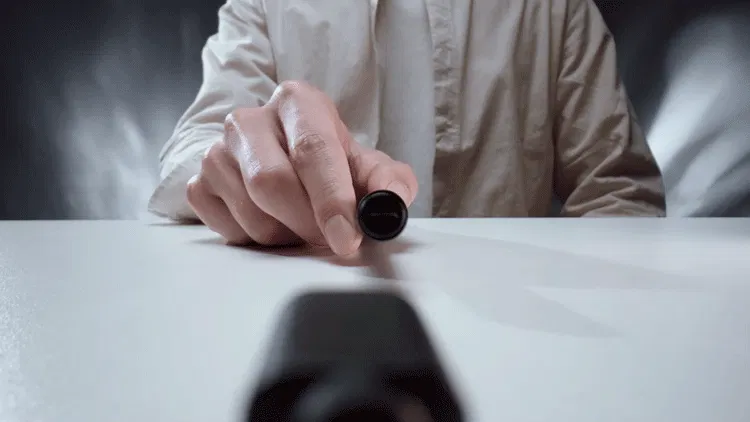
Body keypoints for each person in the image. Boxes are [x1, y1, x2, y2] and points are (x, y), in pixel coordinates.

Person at [148, 0, 666, 256]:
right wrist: (244, 163)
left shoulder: (554, 8)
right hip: (310, 313)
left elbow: (620, 195)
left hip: (507, 342)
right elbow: (195, 151)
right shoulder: (267, 3)